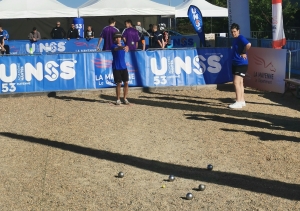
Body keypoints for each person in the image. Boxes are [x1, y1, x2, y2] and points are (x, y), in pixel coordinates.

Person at [229, 23, 251, 109]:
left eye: (234, 31)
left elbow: (248, 44)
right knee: (240, 82)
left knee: (236, 82)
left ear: (238, 31)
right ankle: (242, 100)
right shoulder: (235, 39)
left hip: (241, 64)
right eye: (232, 32)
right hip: (236, 63)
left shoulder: (240, 37)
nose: (233, 33)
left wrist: (244, 52)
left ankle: (238, 101)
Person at [111, 32, 130, 105]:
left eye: (119, 37)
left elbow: (126, 48)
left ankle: (125, 98)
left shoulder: (124, 45)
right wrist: (124, 47)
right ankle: (118, 99)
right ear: (114, 39)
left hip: (124, 67)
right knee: (118, 83)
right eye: (116, 38)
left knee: (126, 82)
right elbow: (117, 48)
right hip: (116, 67)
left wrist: (126, 47)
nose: (118, 39)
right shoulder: (113, 46)